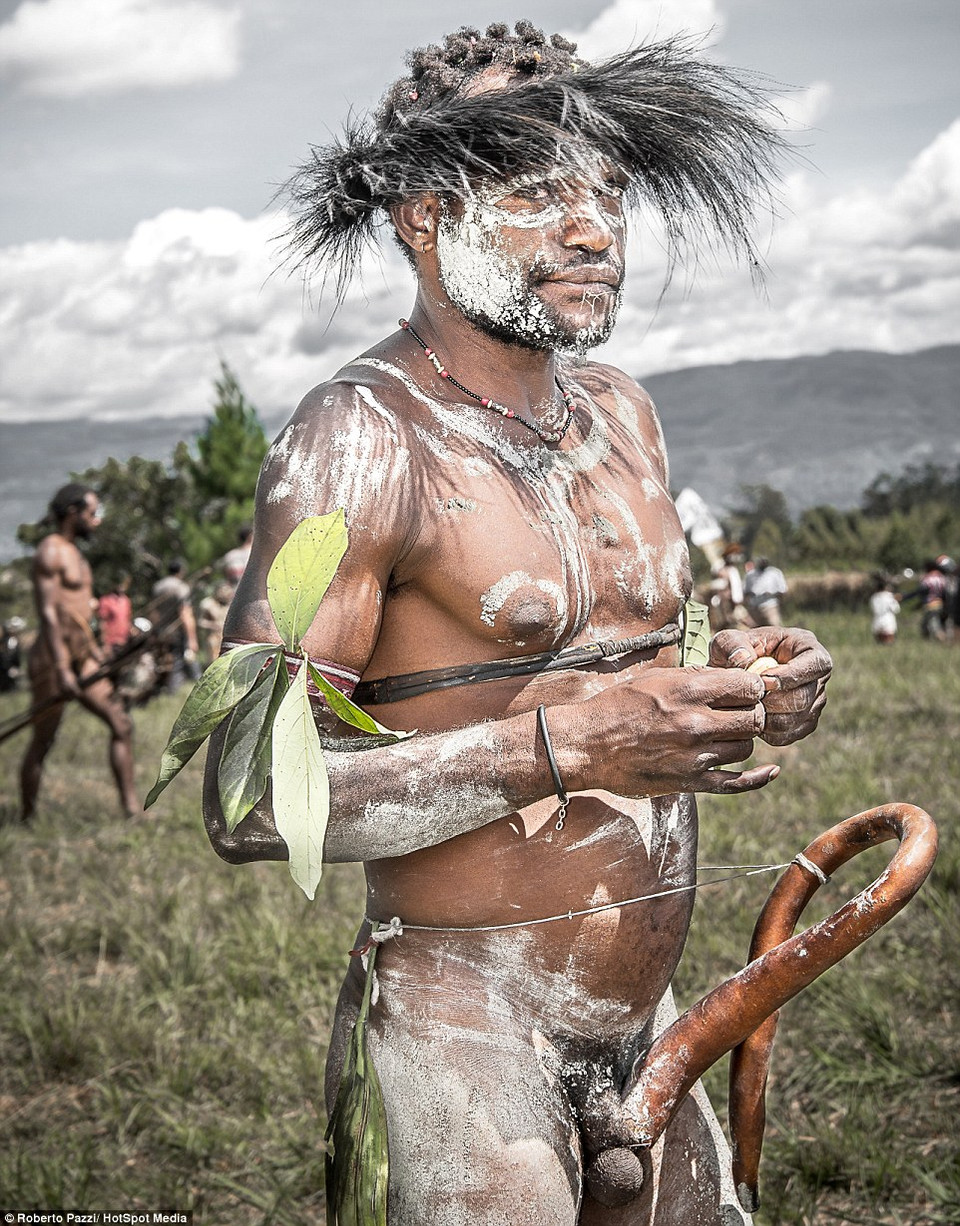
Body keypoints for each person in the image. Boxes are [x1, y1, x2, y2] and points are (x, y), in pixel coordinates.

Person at [202, 24, 832, 1225]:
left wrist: (741, 671)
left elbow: (617, 662)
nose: (596, 232)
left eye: (612, 193)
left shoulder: (624, 411)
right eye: (540, 194)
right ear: (424, 217)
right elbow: (248, 797)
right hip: (463, 1031)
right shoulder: (360, 438)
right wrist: (571, 744)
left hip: (649, 1023)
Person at [19, 483, 139, 820]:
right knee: (43, 741)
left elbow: (81, 614)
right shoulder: (51, 551)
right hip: (52, 659)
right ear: (73, 512)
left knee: (121, 724)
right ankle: (26, 818)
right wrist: (61, 667)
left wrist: (97, 653)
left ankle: (132, 810)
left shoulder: (77, 556)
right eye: (92, 513)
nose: (96, 520)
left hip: (83, 658)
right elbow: (48, 614)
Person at [151, 559, 200, 693]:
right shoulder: (181, 587)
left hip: (162, 630)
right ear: (181, 571)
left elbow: (154, 612)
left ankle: (165, 688)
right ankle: (177, 690)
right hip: (177, 630)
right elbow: (185, 614)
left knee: (165, 660)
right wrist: (192, 639)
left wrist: (155, 631)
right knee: (180, 661)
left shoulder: (158, 586)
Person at [744, 556, 788, 626]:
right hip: (754, 607)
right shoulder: (750, 575)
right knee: (755, 629)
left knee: (774, 626)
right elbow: (746, 591)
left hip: (770, 605)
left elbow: (782, 590)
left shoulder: (775, 573)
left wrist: (773, 595)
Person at [97, 572, 133, 656]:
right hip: (112, 642)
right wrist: (105, 644)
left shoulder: (126, 601)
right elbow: (102, 623)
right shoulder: (105, 601)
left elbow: (127, 620)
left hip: (125, 642)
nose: (122, 585)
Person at [197, 582, 233, 665]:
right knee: (214, 662)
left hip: (227, 638)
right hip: (213, 638)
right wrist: (213, 625)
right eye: (224, 591)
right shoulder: (208, 604)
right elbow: (200, 622)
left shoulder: (231, 604)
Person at [869, 576, 901, 645]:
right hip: (888, 621)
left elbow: (874, 609)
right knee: (888, 642)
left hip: (877, 621)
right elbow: (896, 609)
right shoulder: (889, 596)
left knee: (879, 642)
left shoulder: (874, 597)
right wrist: (896, 600)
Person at [220, 525, 253, 590]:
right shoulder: (256, 553)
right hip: (254, 592)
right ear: (250, 536)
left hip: (236, 592)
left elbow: (227, 577)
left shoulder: (230, 556)